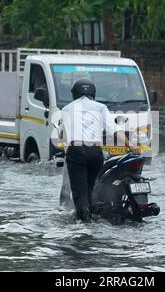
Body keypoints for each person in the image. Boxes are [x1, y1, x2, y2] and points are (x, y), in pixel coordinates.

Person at [61, 79, 138, 222]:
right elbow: (114, 130)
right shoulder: (101, 107)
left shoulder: (66, 109)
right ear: (93, 93)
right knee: (90, 189)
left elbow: (65, 139)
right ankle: (90, 217)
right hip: (95, 152)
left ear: (74, 94)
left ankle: (83, 225)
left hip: (76, 150)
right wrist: (131, 146)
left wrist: (69, 155)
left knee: (79, 193)